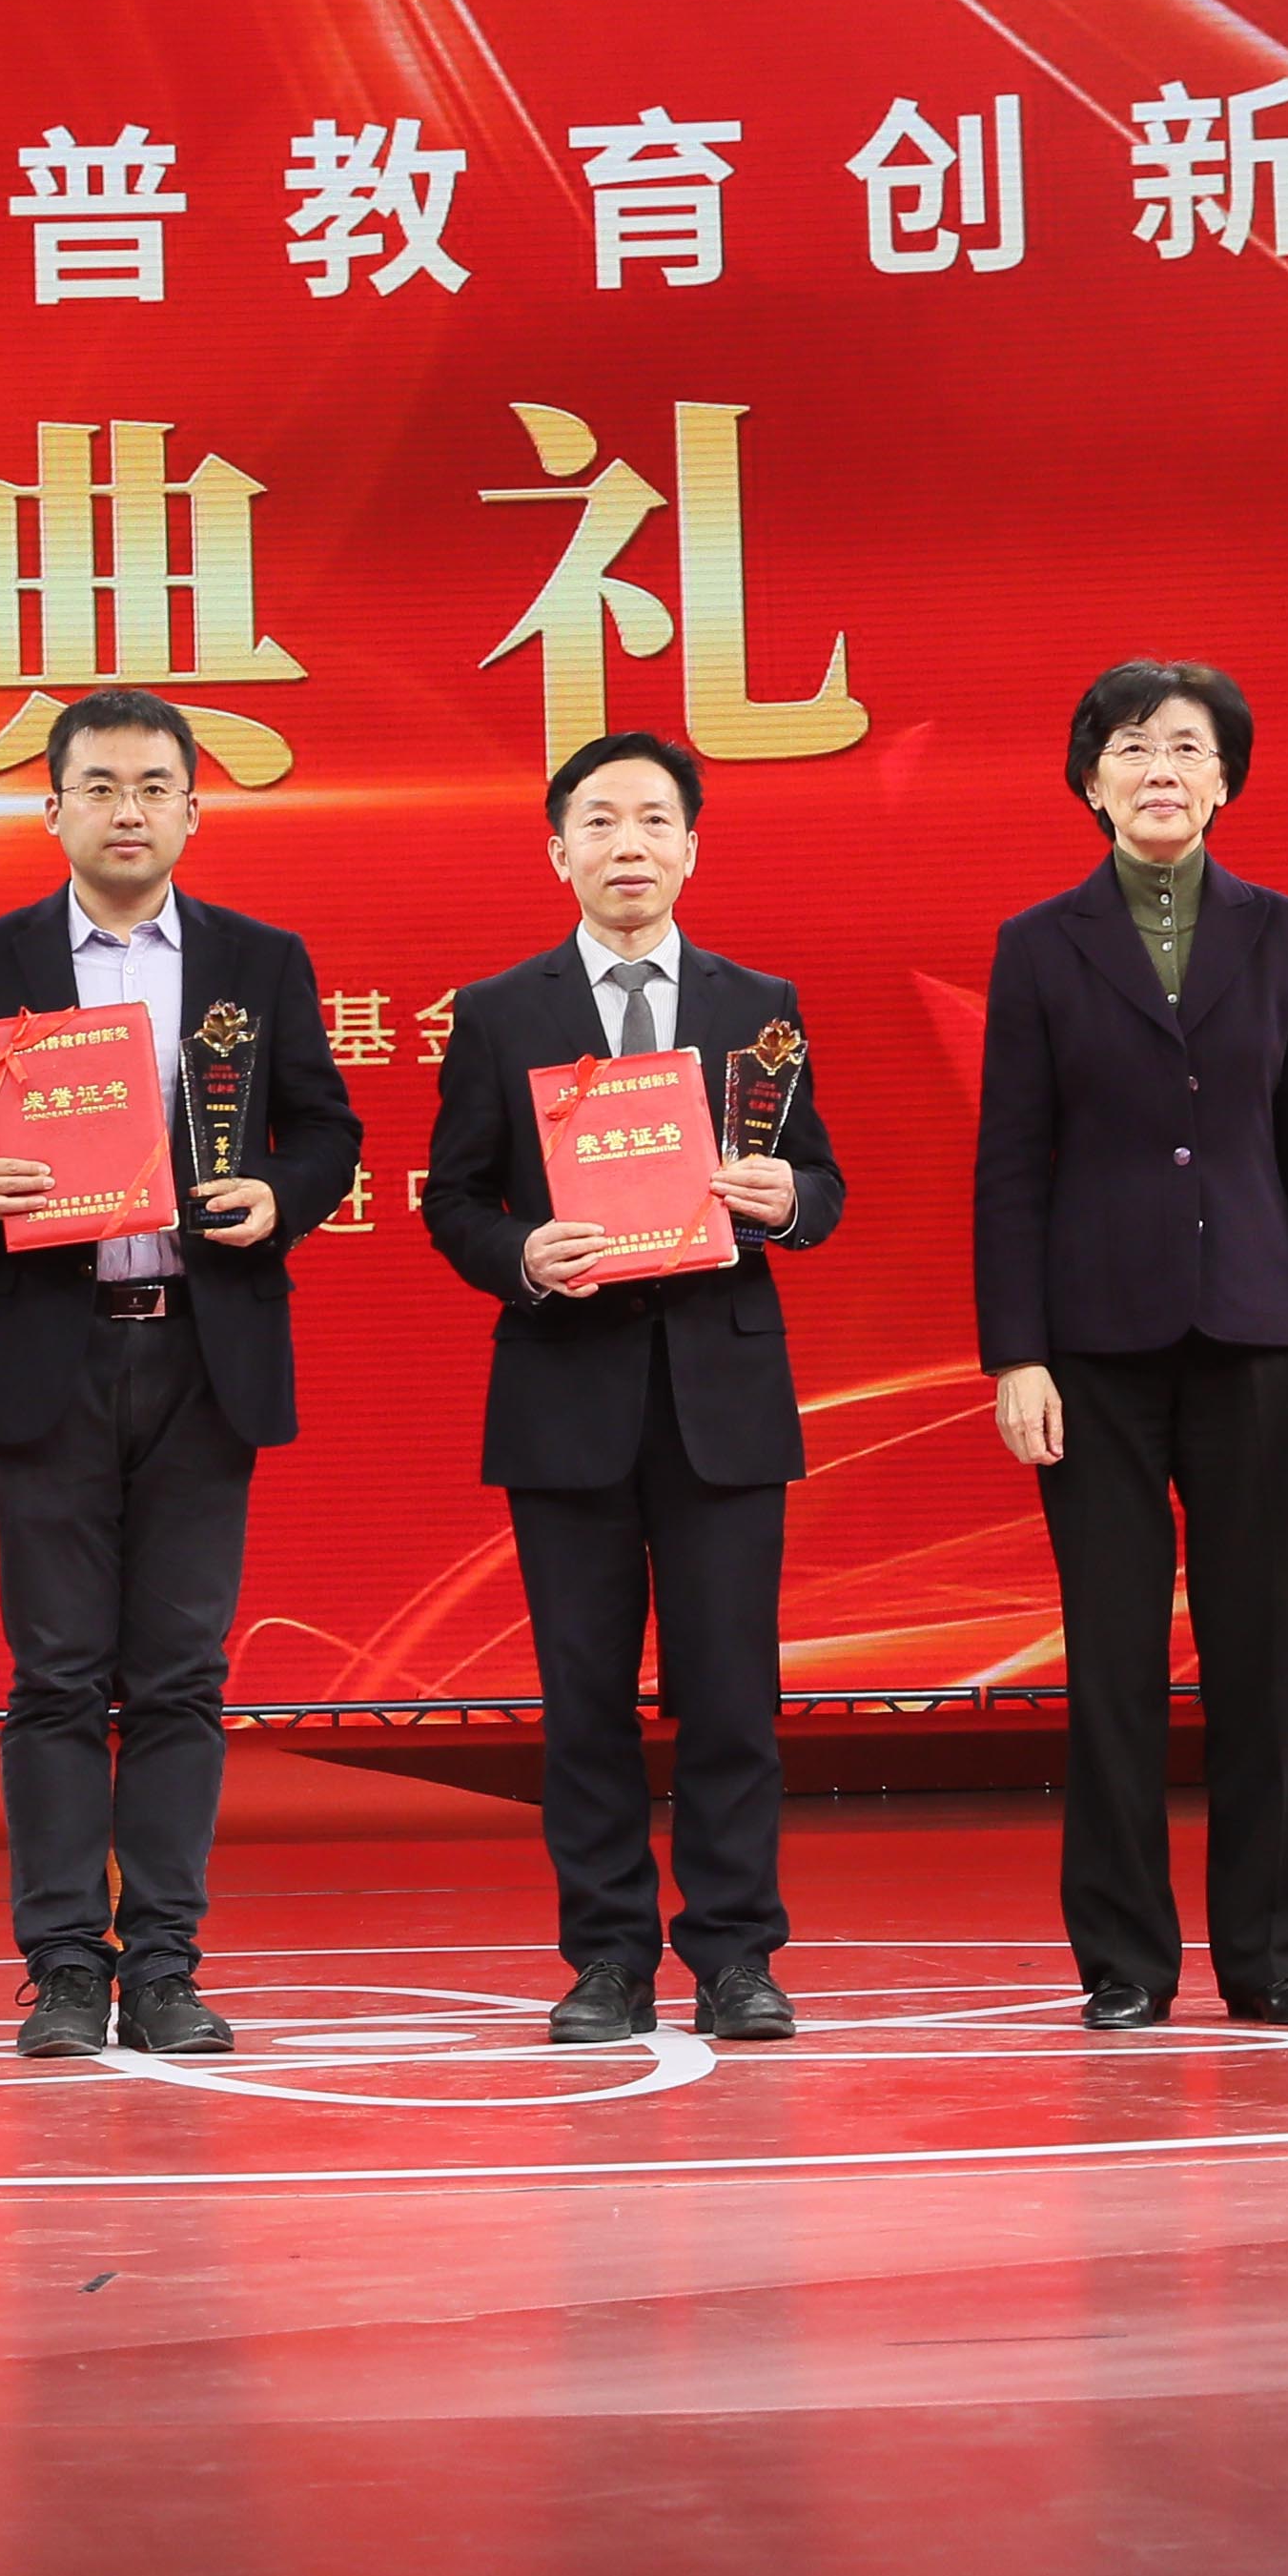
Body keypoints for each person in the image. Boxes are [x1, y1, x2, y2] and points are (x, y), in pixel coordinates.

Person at [0, 687, 362, 2061]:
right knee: (55, 1674)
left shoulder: (259, 961)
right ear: (53, 811)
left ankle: (162, 1964)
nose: (128, 810)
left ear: (195, 810)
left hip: (206, 1348)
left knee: (182, 1676)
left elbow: (327, 1129)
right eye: (98, 786)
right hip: (53, 1342)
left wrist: (281, 1196)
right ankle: (61, 1968)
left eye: (154, 786)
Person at [417, 726, 848, 2047]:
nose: (629, 845)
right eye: (599, 822)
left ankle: (736, 1955)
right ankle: (606, 1957)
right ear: (558, 852)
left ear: (692, 848)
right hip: (568, 1393)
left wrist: (785, 1200)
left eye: (655, 820)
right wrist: (521, 1257)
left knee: (732, 1696)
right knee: (585, 1701)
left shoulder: (757, 1003)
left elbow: (822, 1182)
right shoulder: (501, 1010)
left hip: (724, 1393)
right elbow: (452, 1199)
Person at [969, 657, 1288, 2034]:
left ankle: (1278, 1956)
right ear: (1091, 782)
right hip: (1093, 1350)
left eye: (1189, 747)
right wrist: (1017, 1353)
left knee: (1268, 1657)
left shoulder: (1285, 935)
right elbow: (1010, 1165)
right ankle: (1125, 1960)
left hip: (1255, 1331)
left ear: (1225, 781)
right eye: (1132, 746)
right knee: (1112, 1658)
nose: (1161, 769)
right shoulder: (1040, 944)